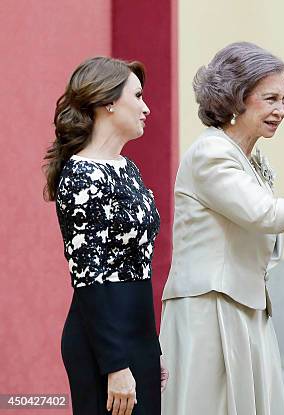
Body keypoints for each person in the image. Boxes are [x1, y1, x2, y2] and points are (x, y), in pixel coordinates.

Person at [159, 42, 284, 415]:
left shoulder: (247, 155)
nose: (281, 110)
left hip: (245, 306)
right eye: (270, 98)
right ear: (235, 98)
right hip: (209, 310)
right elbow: (266, 215)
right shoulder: (211, 153)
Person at [43, 56, 168, 415]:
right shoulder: (81, 175)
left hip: (137, 333)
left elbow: (137, 265)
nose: (146, 108)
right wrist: (114, 364)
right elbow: (88, 276)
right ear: (109, 102)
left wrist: (150, 349)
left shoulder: (126, 167)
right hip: (103, 342)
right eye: (138, 96)